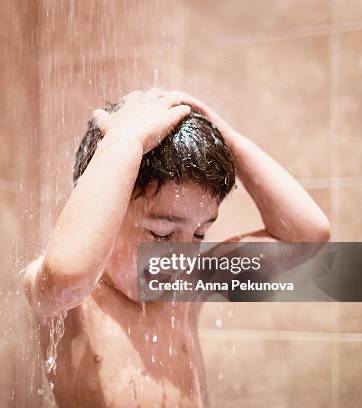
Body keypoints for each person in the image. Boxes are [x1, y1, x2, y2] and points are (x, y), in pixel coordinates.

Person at [24, 88, 330, 407]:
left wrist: (231, 142)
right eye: (162, 233)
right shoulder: (72, 302)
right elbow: (67, 276)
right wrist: (123, 142)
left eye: (199, 235)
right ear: (106, 214)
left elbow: (308, 236)